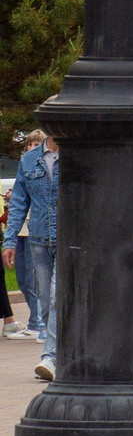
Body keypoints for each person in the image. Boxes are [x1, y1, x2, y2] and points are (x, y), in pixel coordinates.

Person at [6, 128, 61, 379]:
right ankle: (64, 354)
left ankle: (50, 358)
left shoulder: (77, 156)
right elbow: (18, 201)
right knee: (46, 303)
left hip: (67, 240)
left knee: (56, 296)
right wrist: (9, 241)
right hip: (38, 240)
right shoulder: (29, 160)